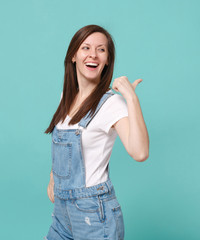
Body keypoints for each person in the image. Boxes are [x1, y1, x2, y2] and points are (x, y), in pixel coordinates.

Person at [44, 24, 149, 240]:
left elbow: (140, 152)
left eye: (101, 49)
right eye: (86, 48)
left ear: (107, 60)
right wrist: (53, 178)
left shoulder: (112, 103)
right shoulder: (66, 97)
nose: (93, 54)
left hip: (93, 212)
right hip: (62, 213)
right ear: (73, 55)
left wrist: (131, 98)